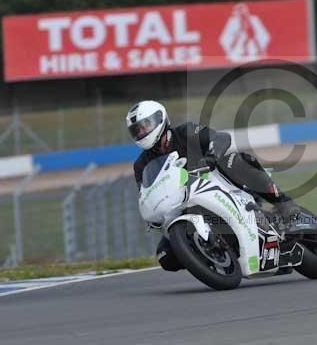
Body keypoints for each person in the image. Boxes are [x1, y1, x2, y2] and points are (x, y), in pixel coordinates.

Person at [126, 100, 299, 272]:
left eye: (144, 126)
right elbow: (146, 193)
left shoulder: (184, 132)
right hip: (182, 205)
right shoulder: (140, 165)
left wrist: (211, 156)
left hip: (215, 182)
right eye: (136, 130)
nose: (141, 132)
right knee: (165, 256)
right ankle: (213, 257)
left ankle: (283, 203)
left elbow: (220, 137)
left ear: (159, 119)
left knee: (236, 160)